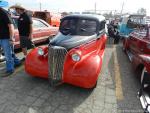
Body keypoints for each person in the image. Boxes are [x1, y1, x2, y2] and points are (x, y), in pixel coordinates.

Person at [0, 1, 20, 76]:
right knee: (10, 52)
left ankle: (10, 69)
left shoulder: (4, 13)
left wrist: (11, 39)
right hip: (1, 37)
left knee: (7, 54)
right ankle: (17, 62)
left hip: (6, 37)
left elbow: (11, 26)